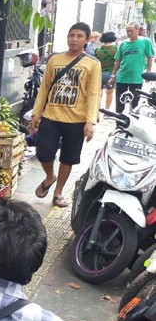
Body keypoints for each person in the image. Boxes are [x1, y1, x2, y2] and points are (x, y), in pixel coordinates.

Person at [29, 22, 101, 208]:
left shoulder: (93, 64)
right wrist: (37, 113)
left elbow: (94, 93)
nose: (74, 39)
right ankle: (49, 176)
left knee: (67, 158)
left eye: (79, 36)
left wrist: (90, 121)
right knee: (43, 152)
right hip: (51, 117)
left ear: (86, 40)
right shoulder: (55, 59)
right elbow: (44, 88)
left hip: (76, 120)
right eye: (71, 35)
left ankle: (58, 191)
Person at [107, 22, 154, 112]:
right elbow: (117, 61)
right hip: (122, 77)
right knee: (120, 102)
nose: (129, 33)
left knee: (135, 102)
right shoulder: (123, 44)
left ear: (137, 30)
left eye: (131, 31)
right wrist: (113, 76)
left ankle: (132, 123)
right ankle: (119, 124)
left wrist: (148, 71)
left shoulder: (145, 42)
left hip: (137, 78)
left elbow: (150, 57)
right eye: (127, 31)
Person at [95, 31, 118, 111]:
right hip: (110, 74)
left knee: (98, 93)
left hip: (98, 73)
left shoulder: (98, 49)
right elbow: (117, 62)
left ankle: (97, 111)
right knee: (109, 92)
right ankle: (106, 111)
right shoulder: (115, 50)